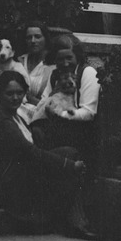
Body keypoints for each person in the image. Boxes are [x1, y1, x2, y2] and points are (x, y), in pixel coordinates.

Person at [0, 71, 99, 239]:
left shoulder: (14, 115)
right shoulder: (1, 119)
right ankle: (77, 223)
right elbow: (30, 152)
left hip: (21, 173)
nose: (15, 98)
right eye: (9, 93)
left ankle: (76, 219)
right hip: (8, 184)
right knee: (69, 162)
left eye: (19, 93)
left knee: (71, 152)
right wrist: (69, 165)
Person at [31, 35, 101, 173]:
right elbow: (45, 101)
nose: (65, 63)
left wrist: (60, 113)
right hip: (58, 130)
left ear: (78, 57)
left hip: (82, 133)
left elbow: (88, 113)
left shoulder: (87, 73)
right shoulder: (55, 75)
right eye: (60, 59)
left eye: (69, 58)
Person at [17, 21, 54, 106]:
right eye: (29, 37)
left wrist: (30, 99)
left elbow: (51, 105)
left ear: (46, 39)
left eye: (37, 37)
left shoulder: (52, 66)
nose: (33, 41)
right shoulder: (19, 61)